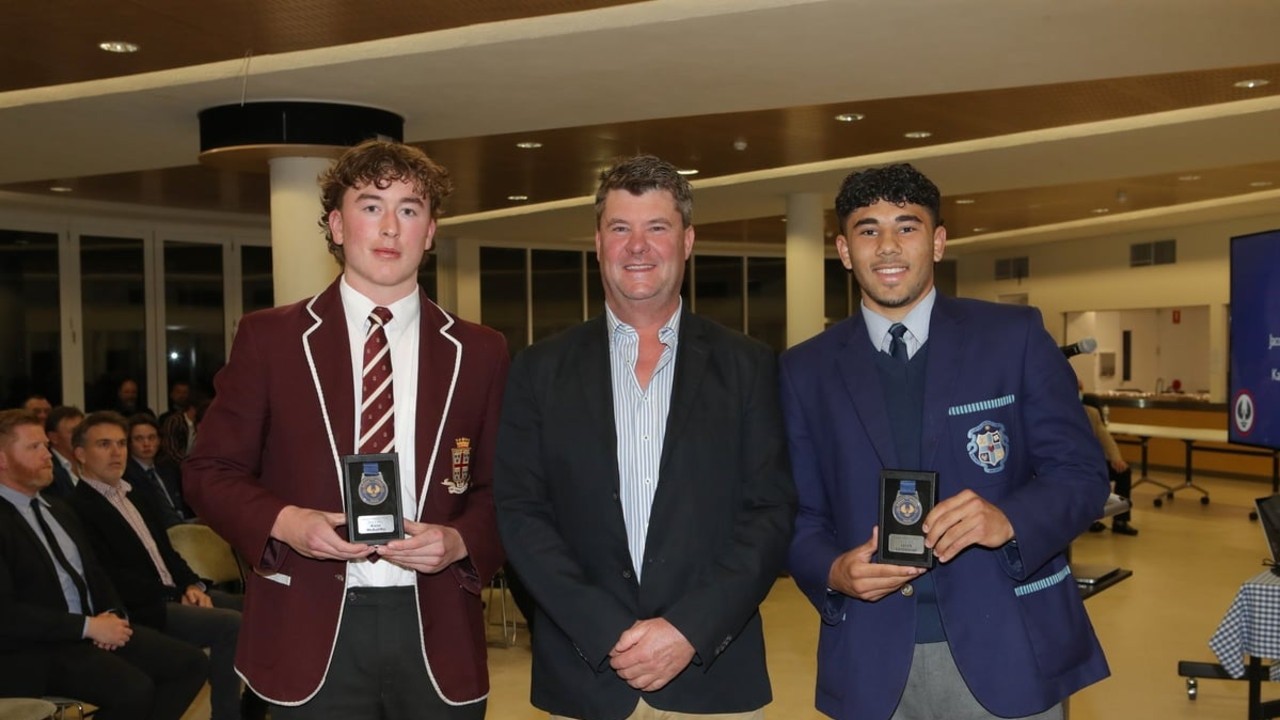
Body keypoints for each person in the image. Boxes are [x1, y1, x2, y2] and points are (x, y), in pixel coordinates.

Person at [184, 139, 509, 719]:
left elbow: (506, 489)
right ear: (336, 225)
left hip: (436, 628)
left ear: (430, 231)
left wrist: (460, 541)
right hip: (305, 624)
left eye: (409, 210)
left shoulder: (480, 352)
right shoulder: (270, 339)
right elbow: (210, 471)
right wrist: (289, 523)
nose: (390, 228)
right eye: (370, 206)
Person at [779, 163, 1110, 720]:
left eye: (907, 227)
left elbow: (1080, 473)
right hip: (871, 657)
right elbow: (798, 513)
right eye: (867, 230)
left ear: (937, 242)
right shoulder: (803, 371)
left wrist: (1009, 520)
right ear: (842, 249)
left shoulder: (1015, 337)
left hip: (1010, 650)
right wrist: (833, 571)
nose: (887, 246)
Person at [495, 155, 796, 720]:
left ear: (687, 241)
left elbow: (769, 512)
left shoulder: (748, 366)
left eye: (657, 227)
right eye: (620, 228)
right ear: (598, 242)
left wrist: (687, 630)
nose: (638, 246)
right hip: (584, 678)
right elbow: (520, 513)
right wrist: (605, 629)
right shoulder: (539, 370)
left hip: (711, 678)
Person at [0, 409, 209, 720]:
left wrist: (111, 615)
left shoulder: (57, 509)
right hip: (35, 648)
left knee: (190, 664)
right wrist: (88, 627)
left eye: (46, 445)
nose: (49, 455)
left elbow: (96, 574)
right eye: (34, 447)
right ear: (2, 459)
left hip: (89, 631)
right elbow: (7, 616)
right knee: (133, 690)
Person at [68, 411, 257, 720]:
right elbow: (108, 576)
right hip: (144, 607)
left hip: (172, 593)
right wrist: (172, 593)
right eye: (104, 444)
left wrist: (192, 585)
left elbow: (168, 554)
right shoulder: (78, 507)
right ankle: (227, 715)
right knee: (229, 625)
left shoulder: (134, 496)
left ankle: (258, 704)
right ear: (80, 454)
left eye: (120, 443)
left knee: (257, 609)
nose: (116, 452)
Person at [123, 414, 191, 527]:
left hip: (185, 526)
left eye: (151, 437)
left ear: (159, 440)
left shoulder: (169, 468)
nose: (146, 444)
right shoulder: (126, 476)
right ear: (129, 443)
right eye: (139, 439)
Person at [1082, 401, 1138, 535]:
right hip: (1069, 466)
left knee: (1123, 472)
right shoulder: (1058, 412)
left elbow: (1105, 438)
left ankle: (1120, 521)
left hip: (1091, 464)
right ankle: (1088, 520)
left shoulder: (1091, 413)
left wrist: (1116, 458)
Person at [43, 405, 84, 500]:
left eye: (84, 430)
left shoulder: (92, 462)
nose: (82, 436)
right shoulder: (47, 469)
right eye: (75, 432)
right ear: (54, 438)